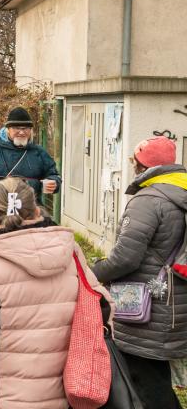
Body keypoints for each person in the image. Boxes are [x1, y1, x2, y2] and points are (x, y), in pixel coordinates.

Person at [0, 178, 109, 409]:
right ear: (37, 209)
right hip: (71, 386)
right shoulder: (70, 252)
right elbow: (103, 308)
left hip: (8, 393)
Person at [91, 135, 187, 408]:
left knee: (146, 381)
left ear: (142, 164)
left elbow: (126, 258)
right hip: (175, 300)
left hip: (146, 305)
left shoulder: (148, 199)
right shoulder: (181, 191)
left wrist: (95, 273)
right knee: (154, 374)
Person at [0, 107, 61, 206]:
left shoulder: (39, 152)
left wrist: (54, 182)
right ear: (7, 129)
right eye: (16, 128)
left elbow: (54, 175)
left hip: (31, 209)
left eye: (26, 128)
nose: (22, 132)